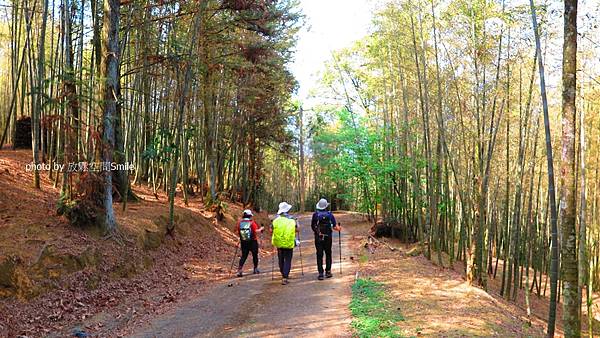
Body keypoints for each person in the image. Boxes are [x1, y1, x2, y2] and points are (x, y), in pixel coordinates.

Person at [311, 198, 341, 280]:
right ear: (325, 206)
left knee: (319, 254)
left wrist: (317, 232)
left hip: (318, 237)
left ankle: (320, 273)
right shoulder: (330, 214)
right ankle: (328, 271)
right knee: (328, 253)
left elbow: (313, 226)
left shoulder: (315, 215)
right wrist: (339, 228)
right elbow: (335, 227)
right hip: (328, 237)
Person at [271, 201, 298, 285]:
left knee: (281, 259)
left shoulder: (275, 220)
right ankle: (285, 277)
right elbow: (297, 230)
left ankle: (283, 273)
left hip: (279, 242)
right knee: (288, 260)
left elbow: (271, 230)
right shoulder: (292, 220)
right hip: (289, 243)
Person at [235, 209, 264, 277]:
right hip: (252, 241)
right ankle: (255, 268)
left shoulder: (240, 223)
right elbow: (256, 231)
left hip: (243, 241)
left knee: (244, 256)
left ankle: (239, 270)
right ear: (250, 216)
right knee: (255, 255)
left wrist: (238, 241)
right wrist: (261, 229)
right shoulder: (252, 223)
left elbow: (238, 232)